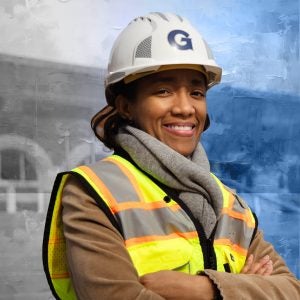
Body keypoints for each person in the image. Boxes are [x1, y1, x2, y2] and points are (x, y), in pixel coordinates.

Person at [43, 12, 300, 300]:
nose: (185, 108)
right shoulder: (94, 192)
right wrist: (249, 288)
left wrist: (205, 289)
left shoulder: (232, 206)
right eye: (163, 90)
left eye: (196, 92)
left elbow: (292, 290)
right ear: (126, 105)